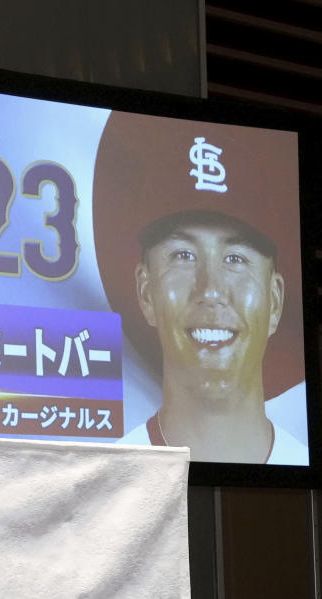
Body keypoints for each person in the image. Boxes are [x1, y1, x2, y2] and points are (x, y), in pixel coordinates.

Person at [93, 111, 307, 465]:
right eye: (183, 255)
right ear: (146, 293)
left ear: (275, 300)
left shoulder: (306, 474)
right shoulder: (108, 481)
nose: (211, 290)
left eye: (236, 258)